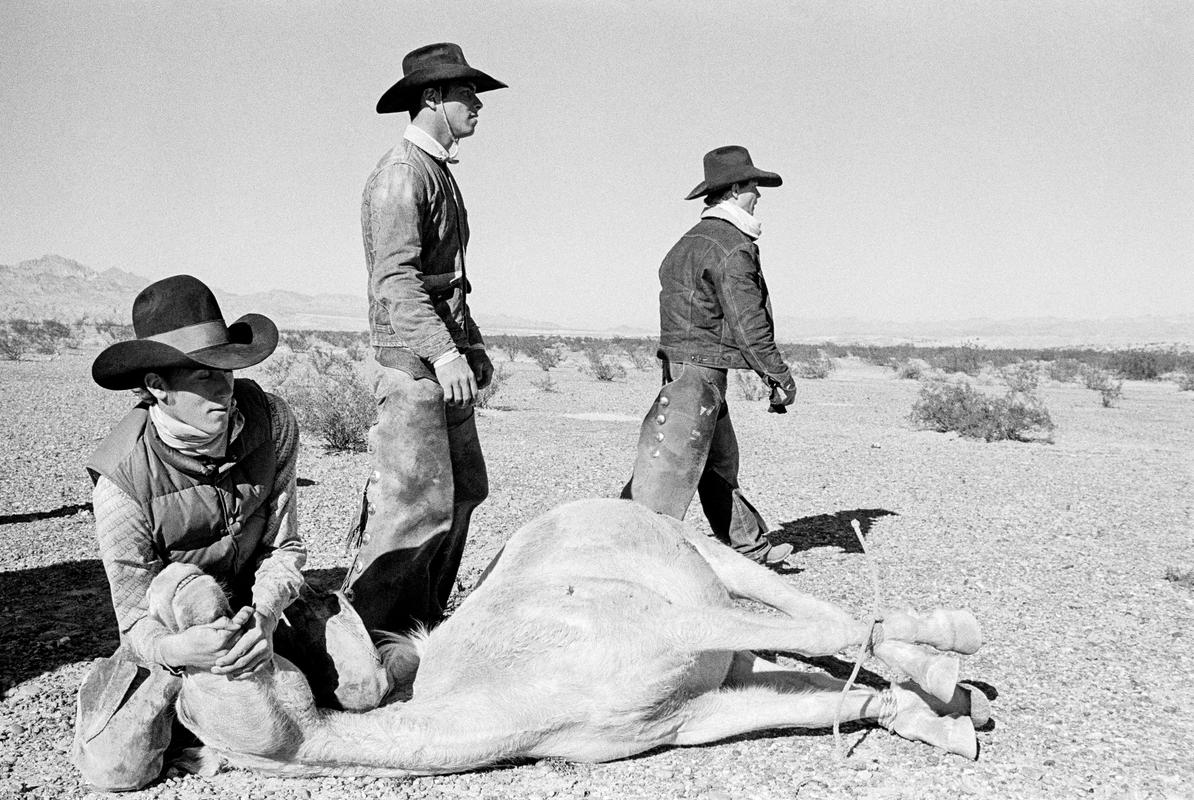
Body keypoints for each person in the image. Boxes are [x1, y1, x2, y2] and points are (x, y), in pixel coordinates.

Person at [73, 275, 383, 792]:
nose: (225, 387)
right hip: (179, 630)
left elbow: (284, 547)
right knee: (115, 771)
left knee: (364, 688)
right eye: (202, 375)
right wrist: (180, 652)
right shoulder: (122, 480)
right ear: (156, 386)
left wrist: (263, 617)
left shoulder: (273, 422)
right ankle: (127, 691)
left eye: (228, 370)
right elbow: (133, 617)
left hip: (263, 609)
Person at [342, 43, 506, 636]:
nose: (478, 104)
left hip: (442, 363)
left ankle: (422, 626)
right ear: (432, 98)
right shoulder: (401, 175)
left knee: (465, 491)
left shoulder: (436, 172)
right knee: (412, 511)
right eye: (467, 93)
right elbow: (396, 281)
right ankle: (368, 641)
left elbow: (448, 282)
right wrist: (442, 353)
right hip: (414, 370)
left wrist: (472, 347)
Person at [622, 145, 798, 570]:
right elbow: (746, 320)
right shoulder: (731, 246)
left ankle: (748, 545)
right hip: (699, 371)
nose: (759, 194)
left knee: (714, 459)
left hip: (684, 365)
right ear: (735, 189)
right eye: (754, 186)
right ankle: (622, 546)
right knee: (669, 468)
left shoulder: (686, 243)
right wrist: (778, 374)